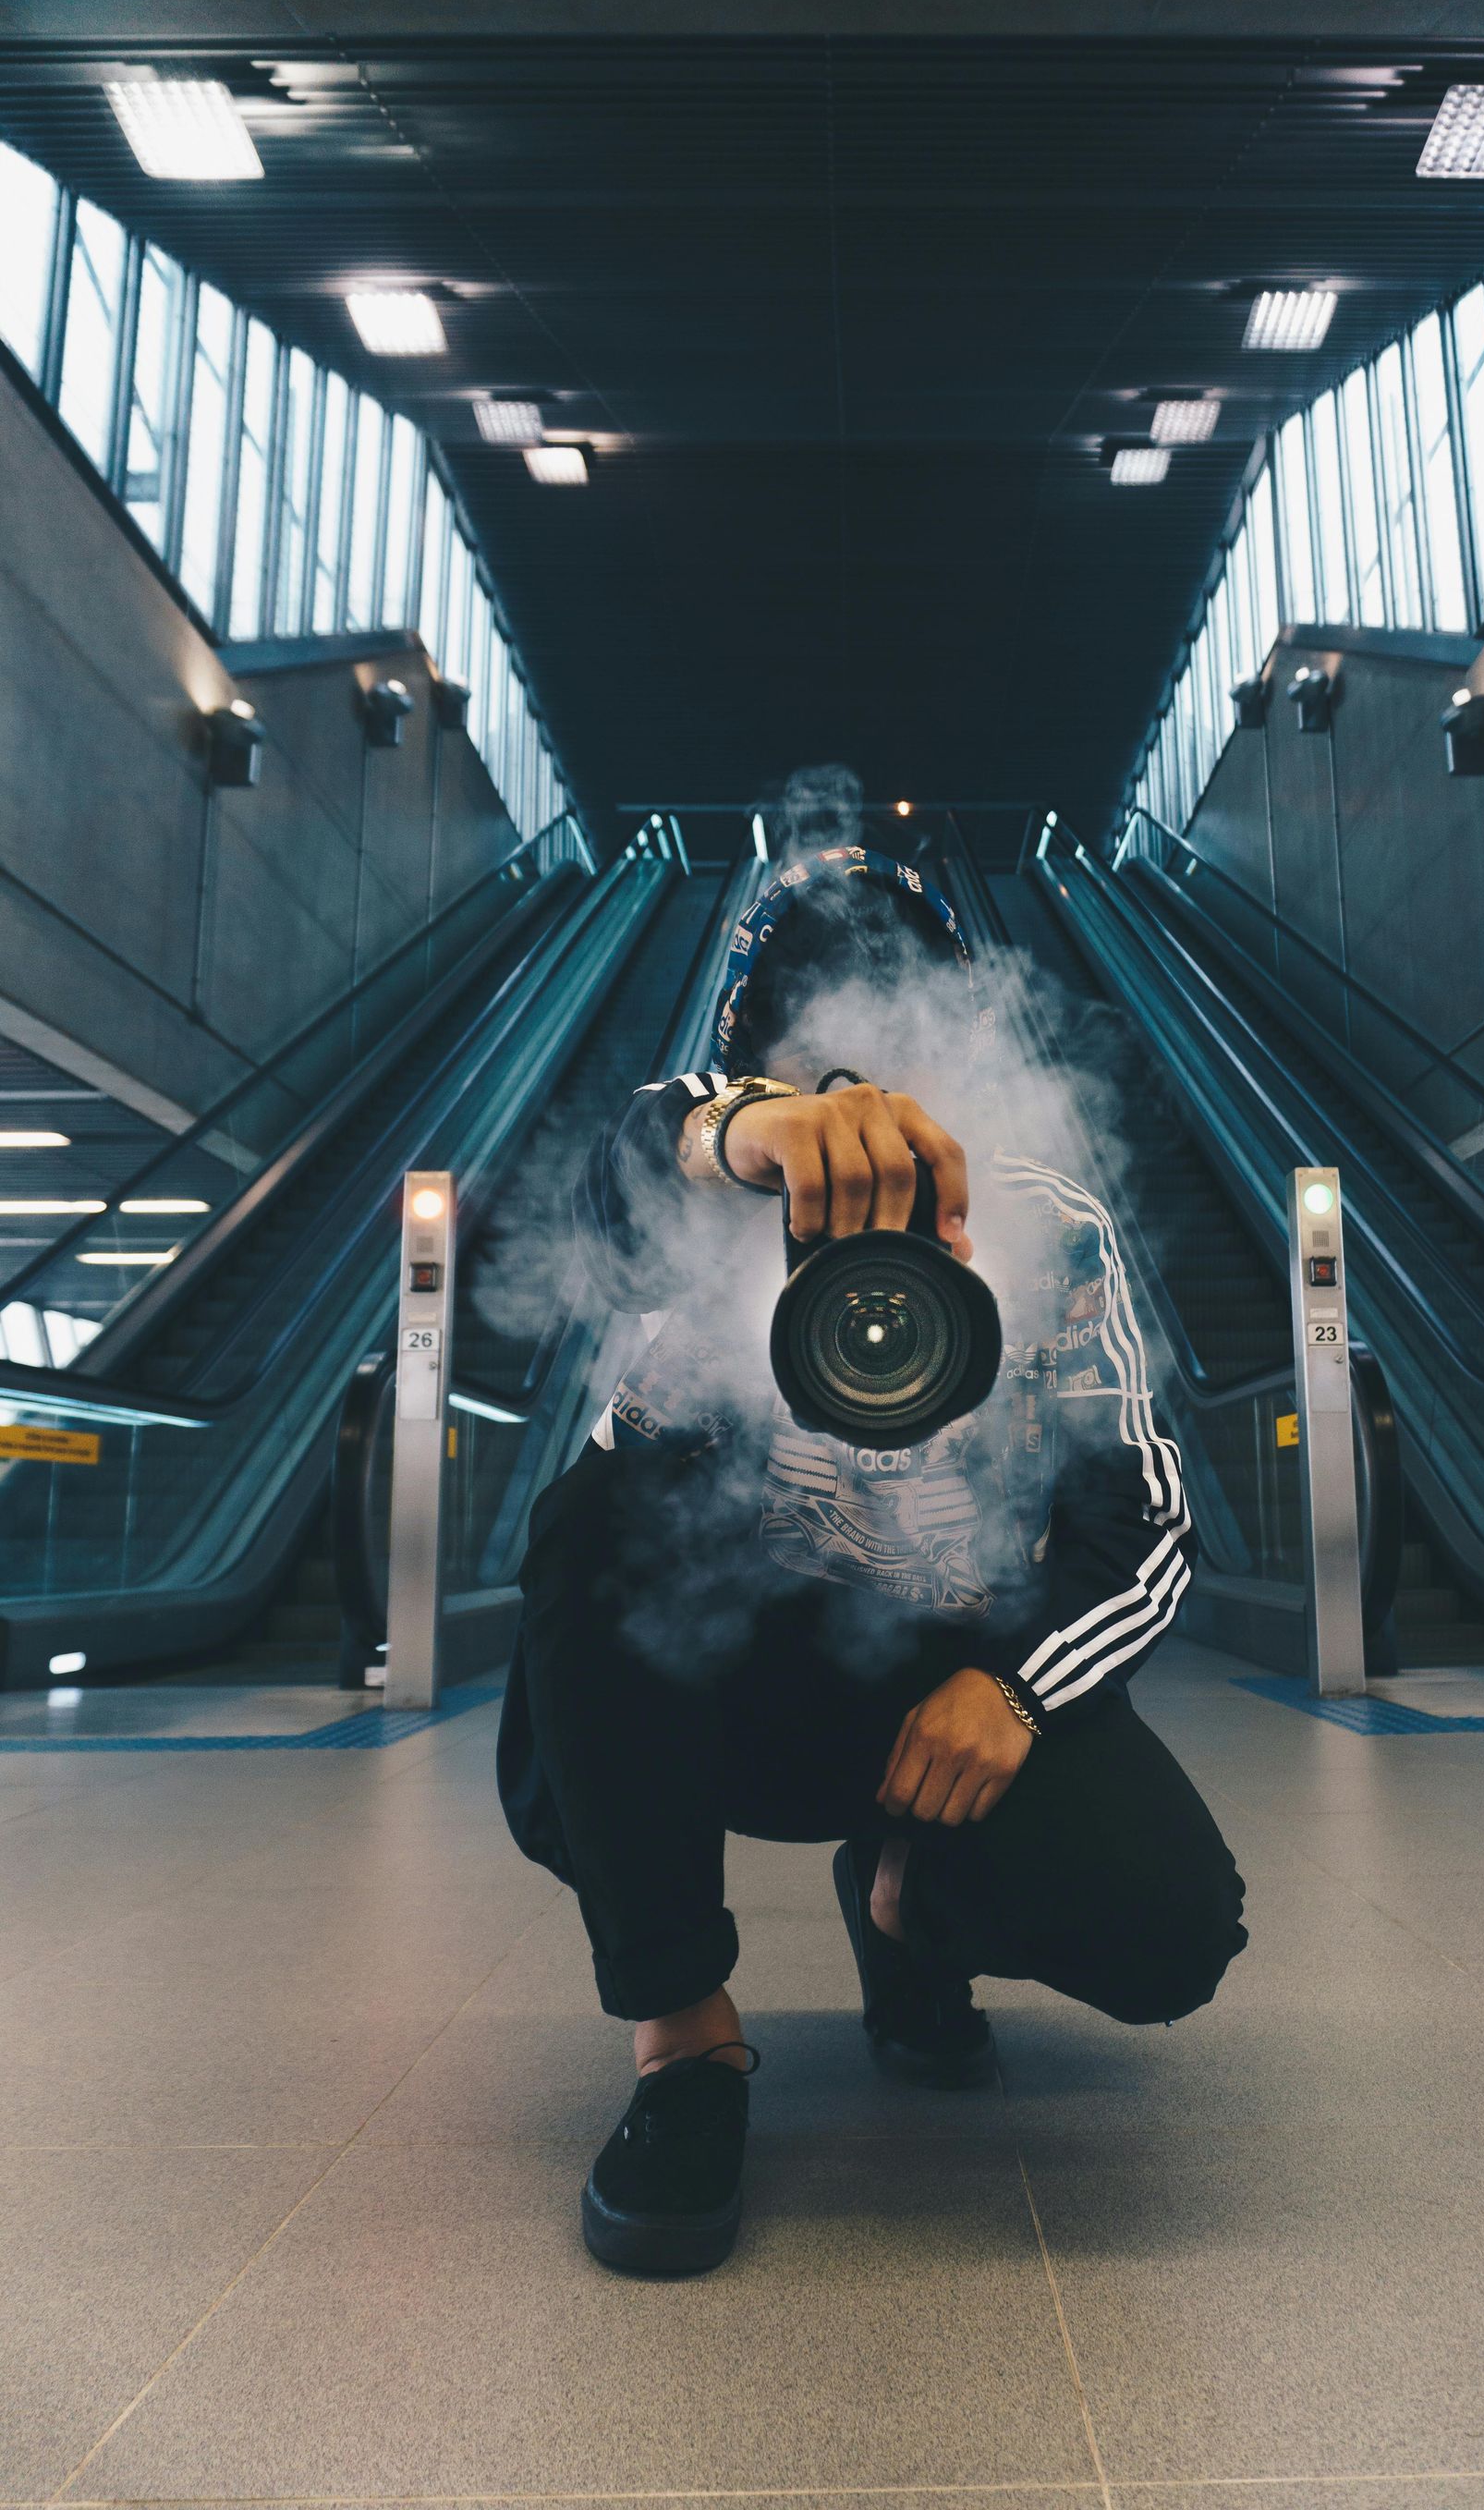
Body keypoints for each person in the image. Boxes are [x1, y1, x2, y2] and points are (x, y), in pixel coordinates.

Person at [498, 842, 1247, 2275]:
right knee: (593, 1517)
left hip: (947, 1696)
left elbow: (1144, 1522)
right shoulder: (707, 1169)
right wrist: (739, 1142)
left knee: (1170, 1928)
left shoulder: (1047, 1222)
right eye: (799, 1025)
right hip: (725, 1688)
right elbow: (609, 1194)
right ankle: (683, 2045)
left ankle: (912, 1915)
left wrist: (1019, 1693)